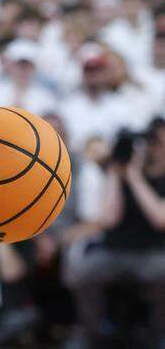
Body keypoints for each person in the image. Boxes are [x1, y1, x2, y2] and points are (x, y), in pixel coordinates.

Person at [66, 119, 165, 347]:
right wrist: (114, 172)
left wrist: (134, 177)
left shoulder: (142, 176)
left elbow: (160, 219)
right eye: (151, 141)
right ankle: (92, 334)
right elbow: (109, 219)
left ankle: (158, 334)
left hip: (153, 253)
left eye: (158, 142)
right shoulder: (121, 172)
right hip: (114, 251)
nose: (153, 147)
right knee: (81, 271)